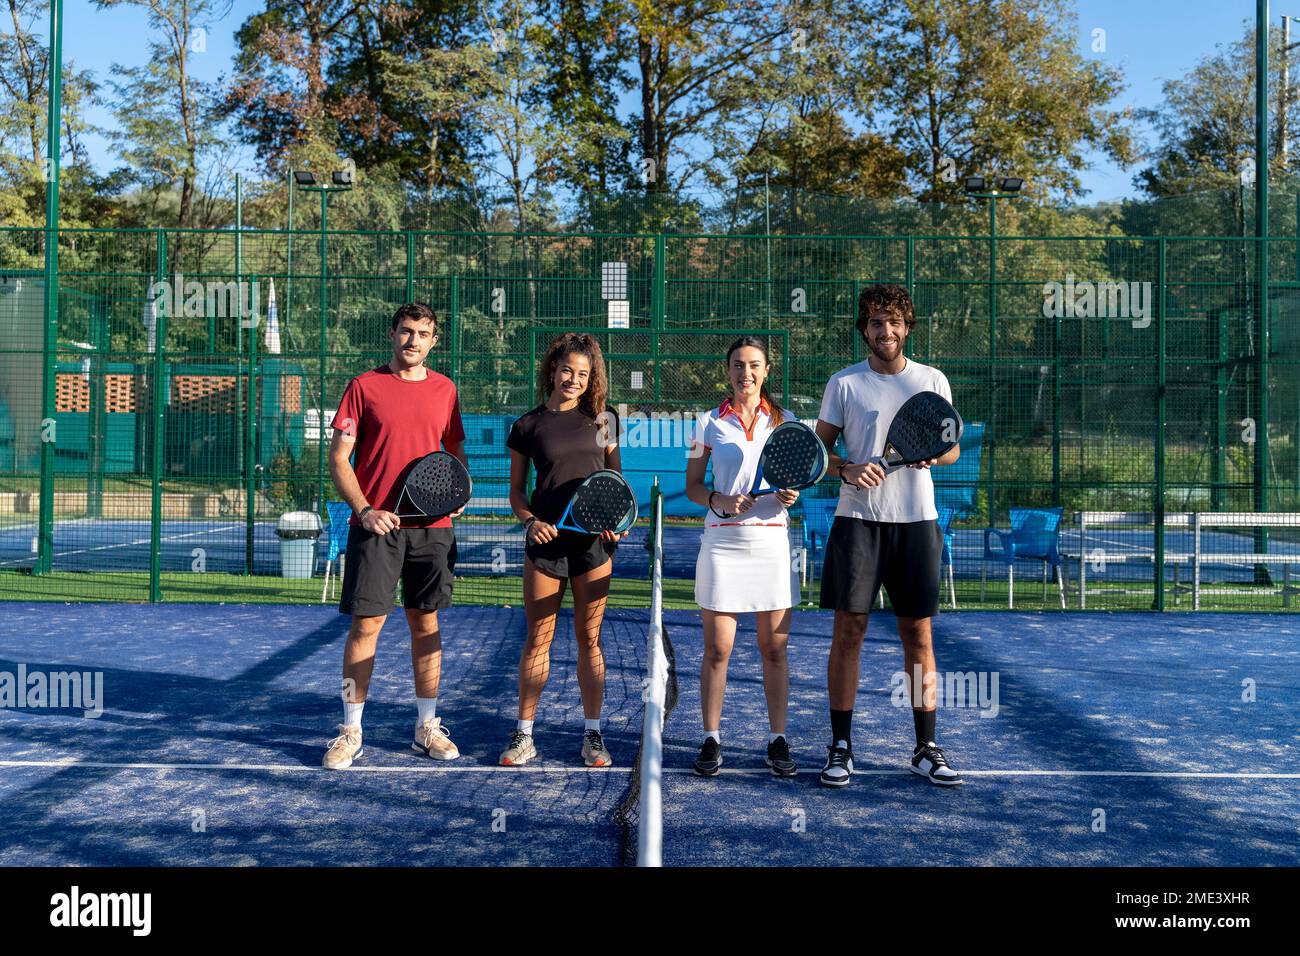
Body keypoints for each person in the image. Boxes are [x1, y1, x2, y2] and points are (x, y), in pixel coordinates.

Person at [814, 284, 963, 788]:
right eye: (877, 322)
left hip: (916, 523)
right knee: (848, 633)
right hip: (857, 524)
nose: (886, 331)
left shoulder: (932, 380)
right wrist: (848, 470)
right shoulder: (844, 384)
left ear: (907, 327)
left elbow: (951, 451)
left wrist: (932, 455)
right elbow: (817, 456)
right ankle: (840, 746)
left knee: (918, 635)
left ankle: (926, 747)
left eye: (895, 322)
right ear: (865, 329)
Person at [322, 302, 468, 770]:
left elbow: (455, 448)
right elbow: (339, 459)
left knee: (426, 626)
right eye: (406, 332)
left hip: (433, 531)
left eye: (423, 334)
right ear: (392, 333)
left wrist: (457, 489)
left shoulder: (446, 390)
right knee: (365, 628)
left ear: (434, 340)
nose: (413, 341)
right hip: (376, 529)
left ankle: (427, 727)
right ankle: (350, 731)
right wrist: (364, 511)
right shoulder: (363, 387)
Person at [500, 332, 627, 767]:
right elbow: (517, 492)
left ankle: (592, 734)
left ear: (593, 379)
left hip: (592, 547)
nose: (574, 379)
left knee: (590, 639)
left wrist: (616, 525)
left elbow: (616, 485)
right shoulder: (526, 426)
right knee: (538, 639)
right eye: (568, 370)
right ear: (552, 370)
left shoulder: (604, 419)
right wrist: (530, 521)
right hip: (546, 544)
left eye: (584, 373)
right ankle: (524, 735)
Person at [685, 336, 801, 778]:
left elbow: (798, 477)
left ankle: (777, 739)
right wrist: (720, 499)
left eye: (754, 365)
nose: (745, 373)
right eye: (738, 365)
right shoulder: (706, 423)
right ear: (728, 370)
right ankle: (711, 739)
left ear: (767, 371)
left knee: (774, 648)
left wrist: (791, 493)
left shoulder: (787, 421)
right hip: (722, 544)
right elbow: (694, 484)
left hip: (771, 542)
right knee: (718, 649)